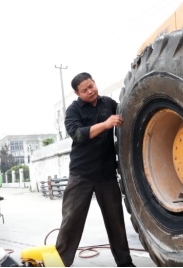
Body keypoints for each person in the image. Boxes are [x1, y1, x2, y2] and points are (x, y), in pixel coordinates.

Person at [55, 72, 135, 267]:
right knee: (71, 220)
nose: (90, 91)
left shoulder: (108, 104)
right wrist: (106, 124)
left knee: (115, 221)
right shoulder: (73, 111)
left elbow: (126, 117)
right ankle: (59, 264)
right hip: (81, 174)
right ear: (77, 93)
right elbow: (77, 134)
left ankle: (125, 263)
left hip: (106, 174)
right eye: (85, 90)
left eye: (92, 86)